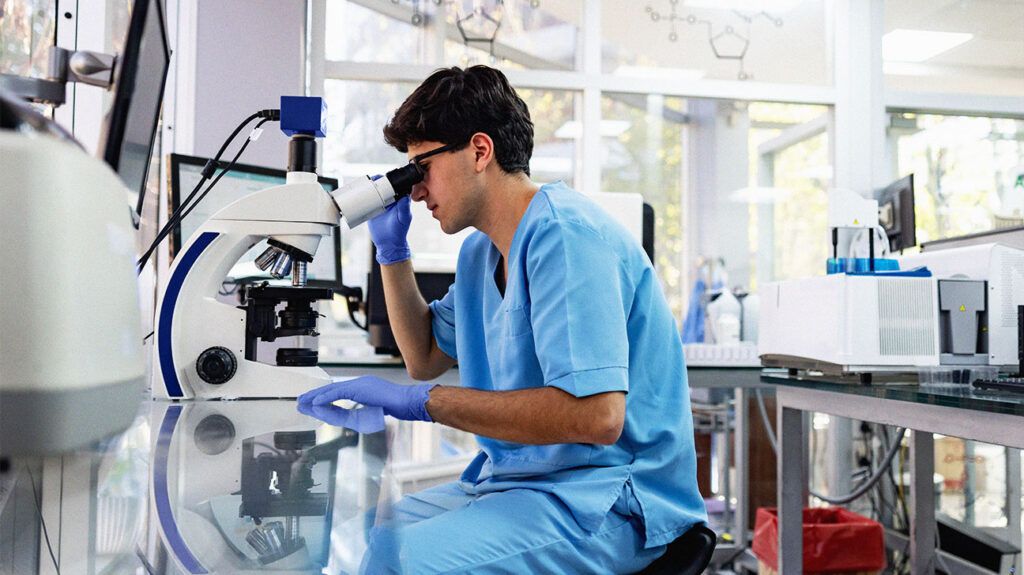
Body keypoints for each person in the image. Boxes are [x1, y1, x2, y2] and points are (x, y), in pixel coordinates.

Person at [298, 65, 707, 573]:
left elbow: (597, 418)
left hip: (609, 497)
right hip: (518, 483)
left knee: (404, 562)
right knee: (369, 539)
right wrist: (392, 252)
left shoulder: (567, 237)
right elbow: (423, 359)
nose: (416, 190)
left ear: (479, 151)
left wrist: (422, 405)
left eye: (420, 167)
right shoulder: (479, 255)